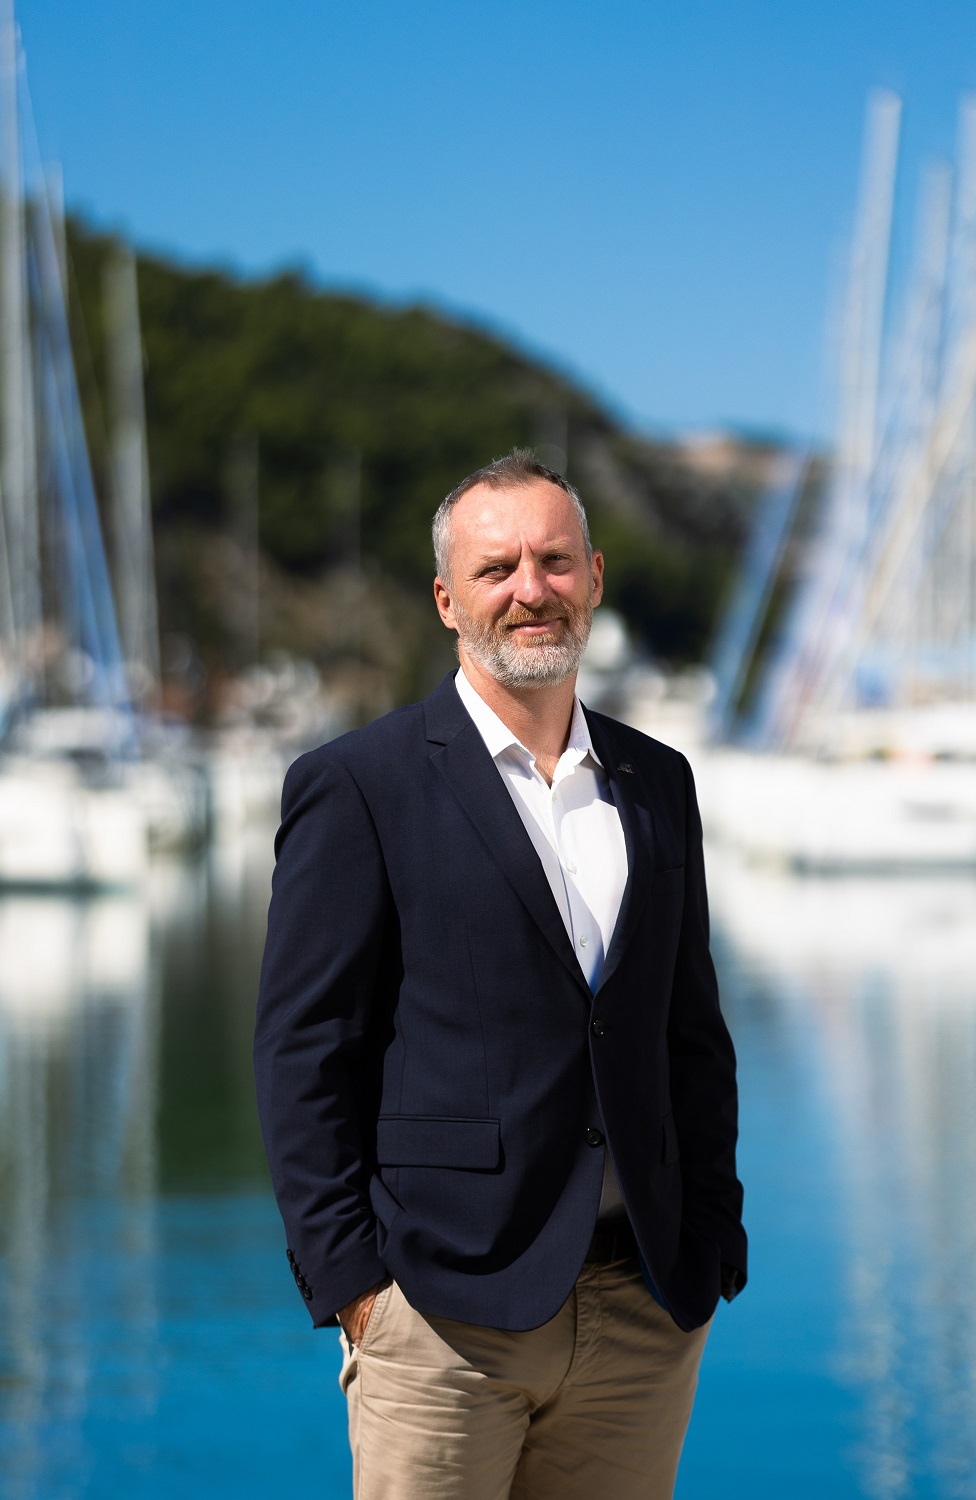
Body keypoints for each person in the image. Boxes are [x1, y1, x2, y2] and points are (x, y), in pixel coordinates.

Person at [254, 449, 746, 1499]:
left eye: (555, 561)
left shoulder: (659, 781)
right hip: (441, 1316)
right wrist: (355, 1287)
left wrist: (714, 1235)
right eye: (496, 568)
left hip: (642, 1306)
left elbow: (689, 1029)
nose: (531, 589)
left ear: (594, 578)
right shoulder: (358, 784)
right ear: (447, 599)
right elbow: (304, 1052)